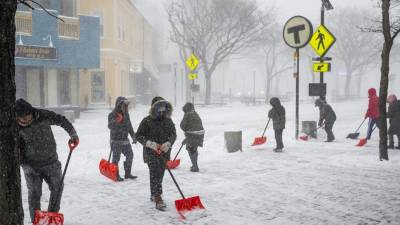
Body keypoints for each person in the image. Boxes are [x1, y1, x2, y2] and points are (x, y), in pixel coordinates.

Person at [15, 99, 79, 222]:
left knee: (58, 188)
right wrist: (23, 163)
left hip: (51, 163)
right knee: (34, 194)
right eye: (22, 121)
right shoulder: (14, 127)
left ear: (31, 112)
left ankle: (51, 218)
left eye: (28, 119)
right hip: (31, 167)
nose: (26, 122)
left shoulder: (42, 115)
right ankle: (36, 221)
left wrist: (73, 134)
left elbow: (61, 120)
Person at [136, 97, 176, 211]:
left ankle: (154, 194)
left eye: (164, 108)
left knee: (160, 174)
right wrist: (150, 144)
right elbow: (138, 135)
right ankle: (158, 198)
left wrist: (168, 143)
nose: (162, 111)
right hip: (151, 153)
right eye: (159, 107)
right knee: (155, 174)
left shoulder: (168, 120)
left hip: (164, 153)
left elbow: (174, 134)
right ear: (154, 108)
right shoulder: (147, 121)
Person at [108, 96, 137, 182]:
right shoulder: (112, 114)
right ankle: (115, 175)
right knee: (116, 159)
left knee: (130, 155)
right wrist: (117, 121)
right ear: (119, 105)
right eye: (124, 105)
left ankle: (127, 173)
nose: (125, 107)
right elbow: (110, 126)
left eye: (126, 106)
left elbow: (129, 126)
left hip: (125, 140)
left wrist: (133, 136)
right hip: (116, 141)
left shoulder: (126, 114)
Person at [180, 102, 204, 172]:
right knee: (194, 148)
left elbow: (182, 126)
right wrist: (187, 138)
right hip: (200, 134)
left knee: (191, 149)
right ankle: (195, 165)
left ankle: (195, 166)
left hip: (192, 134)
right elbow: (194, 126)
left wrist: (187, 136)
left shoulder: (187, 114)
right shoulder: (196, 113)